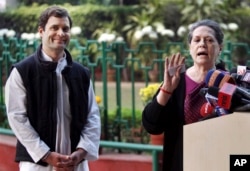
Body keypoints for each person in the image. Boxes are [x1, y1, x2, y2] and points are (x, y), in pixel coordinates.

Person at [5, 5, 101, 171]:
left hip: (76, 164)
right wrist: (46, 155)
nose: (61, 33)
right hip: (37, 165)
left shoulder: (81, 74)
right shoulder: (23, 72)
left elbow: (92, 116)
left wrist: (81, 152)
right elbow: (17, 118)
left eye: (65, 28)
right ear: (41, 31)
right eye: (54, 27)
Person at [142, 19, 224, 171]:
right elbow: (152, 125)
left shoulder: (229, 82)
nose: (202, 44)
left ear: (220, 47)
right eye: (197, 40)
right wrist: (166, 90)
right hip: (181, 163)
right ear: (190, 47)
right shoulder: (176, 82)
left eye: (209, 40)